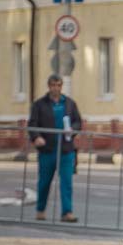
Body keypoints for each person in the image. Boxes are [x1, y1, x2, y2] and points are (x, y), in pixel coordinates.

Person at [28, 74, 82, 222]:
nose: (56, 88)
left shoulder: (69, 103)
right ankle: (40, 210)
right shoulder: (39, 104)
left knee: (66, 183)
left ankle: (67, 212)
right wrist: (36, 137)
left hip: (66, 150)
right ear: (49, 86)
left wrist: (73, 128)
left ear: (61, 86)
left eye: (58, 85)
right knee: (44, 182)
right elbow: (32, 124)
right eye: (53, 85)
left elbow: (78, 121)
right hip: (47, 149)